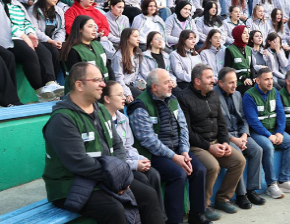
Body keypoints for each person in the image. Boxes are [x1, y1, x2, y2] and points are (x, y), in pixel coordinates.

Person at [42, 63, 165, 224]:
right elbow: (79, 163)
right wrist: (116, 179)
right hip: (70, 185)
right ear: (79, 85)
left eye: (102, 79)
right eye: (96, 80)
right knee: (113, 209)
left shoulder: (100, 110)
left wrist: (121, 176)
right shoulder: (62, 119)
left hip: (103, 178)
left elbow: (118, 146)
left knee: (148, 195)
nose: (103, 84)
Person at [127, 68, 211, 224]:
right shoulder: (140, 106)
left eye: (170, 81)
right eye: (166, 83)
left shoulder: (172, 99)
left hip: (177, 149)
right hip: (154, 154)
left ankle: (196, 214)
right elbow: (148, 140)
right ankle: (175, 220)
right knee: (177, 174)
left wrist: (184, 151)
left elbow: (183, 126)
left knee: (199, 170)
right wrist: (174, 157)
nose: (171, 85)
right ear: (154, 87)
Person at [178, 64, 246, 219]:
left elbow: (221, 123)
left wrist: (225, 143)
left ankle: (223, 198)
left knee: (239, 161)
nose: (213, 81)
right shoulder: (183, 98)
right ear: (197, 81)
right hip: (197, 145)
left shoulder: (214, 95)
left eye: (212, 77)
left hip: (216, 141)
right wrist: (209, 147)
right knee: (212, 166)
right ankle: (204, 205)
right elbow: (187, 132)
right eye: (208, 78)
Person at [100, 80, 166, 221]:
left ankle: (160, 217)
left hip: (128, 162)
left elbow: (129, 146)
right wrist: (134, 165)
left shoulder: (123, 118)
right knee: (142, 180)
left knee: (153, 174)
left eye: (124, 94)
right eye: (119, 95)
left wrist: (139, 159)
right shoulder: (101, 122)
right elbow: (111, 155)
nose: (124, 98)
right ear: (107, 99)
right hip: (117, 168)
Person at [0, 0, 62, 100]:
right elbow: (5, 25)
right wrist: (23, 36)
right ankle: (39, 89)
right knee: (29, 54)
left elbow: (27, 23)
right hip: (10, 38)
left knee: (48, 51)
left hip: (24, 36)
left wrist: (31, 34)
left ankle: (50, 83)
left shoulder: (17, 4)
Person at [242, 68, 290, 198]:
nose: (270, 82)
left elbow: (281, 114)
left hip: (275, 130)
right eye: (266, 79)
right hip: (258, 132)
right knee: (268, 147)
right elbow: (253, 122)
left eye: (271, 79)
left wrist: (280, 133)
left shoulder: (274, 91)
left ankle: (284, 180)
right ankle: (271, 184)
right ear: (257, 81)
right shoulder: (249, 96)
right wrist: (269, 135)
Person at [214, 67, 265, 209]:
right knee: (238, 154)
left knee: (257, 150)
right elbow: (217, 125)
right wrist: (234, 140)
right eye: (230, 82)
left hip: (240, 133)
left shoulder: (237, 94)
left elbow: (243, 118)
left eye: (235, 82)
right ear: (220, 83)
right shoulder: (214, 96)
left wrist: (244, 135)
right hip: (225, 137)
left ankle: (251, 190)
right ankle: (241, 195)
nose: (234, 85)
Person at [28, 0, 64, 77]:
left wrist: (58, 40)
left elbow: (61, 29)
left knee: (67, 50)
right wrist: (51, 41)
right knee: (54, 52)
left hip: (54, 40)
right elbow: (34, 29)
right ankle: (50, 81)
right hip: (39, 41)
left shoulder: (58, 11)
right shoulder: (33, 10)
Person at [111, 28, 143, 100]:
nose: (138, 39)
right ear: (127, 38)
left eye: (139, 36)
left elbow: (137, 74)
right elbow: (118, 78)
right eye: (135, 36)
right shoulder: (118, 56)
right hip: (124, 86)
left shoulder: (137, 54)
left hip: (134, 84)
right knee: (144, 98)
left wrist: (140, 83)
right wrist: (127, 93)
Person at [224, 25, 255, 95]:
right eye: (244, 33)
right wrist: (242, 78)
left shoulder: (249, 49)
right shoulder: (229, 50)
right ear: (238, 34)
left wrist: (254, 78)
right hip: (238, 81)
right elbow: (227, 70)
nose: (247, 35)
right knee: (250, 90)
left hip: (249, 80)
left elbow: (251, 67)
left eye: (248, 33)